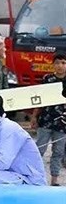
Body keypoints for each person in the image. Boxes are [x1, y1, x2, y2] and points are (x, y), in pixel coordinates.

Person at [31, 52, 66, 186]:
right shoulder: (47, 79)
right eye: (57, 63)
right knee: (39, 149)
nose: (60, 66)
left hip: (62, 123)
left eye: (63, 63)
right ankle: (34, 176)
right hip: (45, 120)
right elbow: (39, 100)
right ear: (53, 65)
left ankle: (55, 179)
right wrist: (34, 116)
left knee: (58, 151)